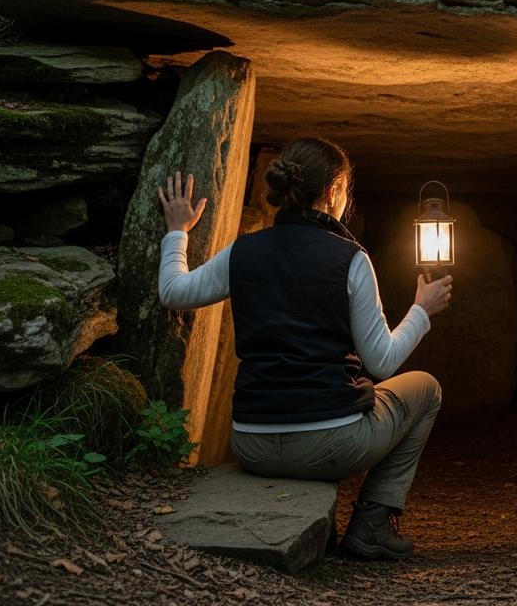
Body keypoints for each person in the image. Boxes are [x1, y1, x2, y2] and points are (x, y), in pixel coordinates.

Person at [154, 138, 452, 561]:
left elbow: (173, 291)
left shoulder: (245, 250)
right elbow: (381, 360)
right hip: (330, 446)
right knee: (426, 388)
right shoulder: (351, 258)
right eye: (345, 189)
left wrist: (176, 232)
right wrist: (421, 311)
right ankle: (371, 523)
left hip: (252, 443)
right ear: (332, 193)